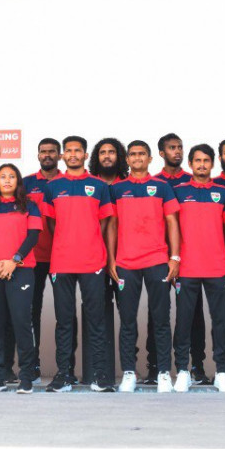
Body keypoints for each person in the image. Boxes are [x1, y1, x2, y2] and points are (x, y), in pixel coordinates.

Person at [106, 140, 180, 393]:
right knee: (127, 320)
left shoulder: (162, 187)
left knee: (161, 320)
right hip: (126, 263)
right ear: (127, 160)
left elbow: (172, 221)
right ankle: (129, 372)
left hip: (157, 261)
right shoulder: (117, 189)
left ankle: (163, 373)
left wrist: (175, 257)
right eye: (133, 154)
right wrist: (111, 258)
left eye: (142, 154)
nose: (137, 158)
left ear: (150, 159)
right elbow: (112, 225)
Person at [43, 135, 116, 393]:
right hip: (61, 261)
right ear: (63, 155)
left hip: (92, 261)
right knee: (64, 320)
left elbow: (105, 221)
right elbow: (51, 223)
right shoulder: (53, 186)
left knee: (96, 320)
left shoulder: (99, 186)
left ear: (85, 155)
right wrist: (68, 240)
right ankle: (64, 375)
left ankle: (99, 375)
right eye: (69, 151)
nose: (73, 154)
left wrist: (90, 241)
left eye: (78, 151)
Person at [172, 144, 225, 392]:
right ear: (190, 164)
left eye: (206, 161)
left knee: (220, 322)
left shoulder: (223, 192)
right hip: (186, 267)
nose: (202, 165)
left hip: (218, 266)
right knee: (184, 322)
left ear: (212, 164)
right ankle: (182, 371)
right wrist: (173, 259)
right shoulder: (178, 191)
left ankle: (222, 372)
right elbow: (171, 227)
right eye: (197, 161)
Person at [0, 164, 43, 393]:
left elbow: (33, 236)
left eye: (12, 176)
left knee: (21, 323)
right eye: (2, 176)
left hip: (20, 270)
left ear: (18, 181)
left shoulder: (29, 207)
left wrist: (14, 261)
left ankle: (26, 377)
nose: (7, 180)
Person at [155, 132, 208, 385]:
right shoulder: (154, 182)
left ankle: (197, 366)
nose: (177, 151)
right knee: (158, 312)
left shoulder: (192, 180)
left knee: (193, 314)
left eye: (179, 147)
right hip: (157, 257)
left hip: (189, 259)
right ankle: (156, 367)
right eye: (171, 148)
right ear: (161, 153)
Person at [22, 137, 62, 383]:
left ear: (59, 155)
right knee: (30, 313)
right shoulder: (26, 183)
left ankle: (65, 369)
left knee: (64, 314)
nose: (47, 155)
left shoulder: (67, 182)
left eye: (52, 151)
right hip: (33, 259)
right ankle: (32, 366)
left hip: (62, 257)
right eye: (43, 151)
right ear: (38, 155)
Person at [88, 136, 126, 386]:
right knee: (97, 314)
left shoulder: (129, 185)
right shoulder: (90, 185)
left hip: (125, 259)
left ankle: (131, 370)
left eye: (112, 152)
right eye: (102, 152)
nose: (107, 156)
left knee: (127, 314)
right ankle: (98, 371)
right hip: (94, 259)